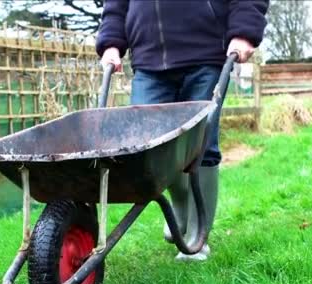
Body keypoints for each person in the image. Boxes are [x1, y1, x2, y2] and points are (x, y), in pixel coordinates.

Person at [96, 0, 269, 261]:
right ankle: (180, 207)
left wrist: (244, 31)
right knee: (152, 146)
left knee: (201, 143)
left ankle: (198, 237)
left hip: (205, 54)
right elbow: (116, 4)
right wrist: (111, 42)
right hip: (148, 60)